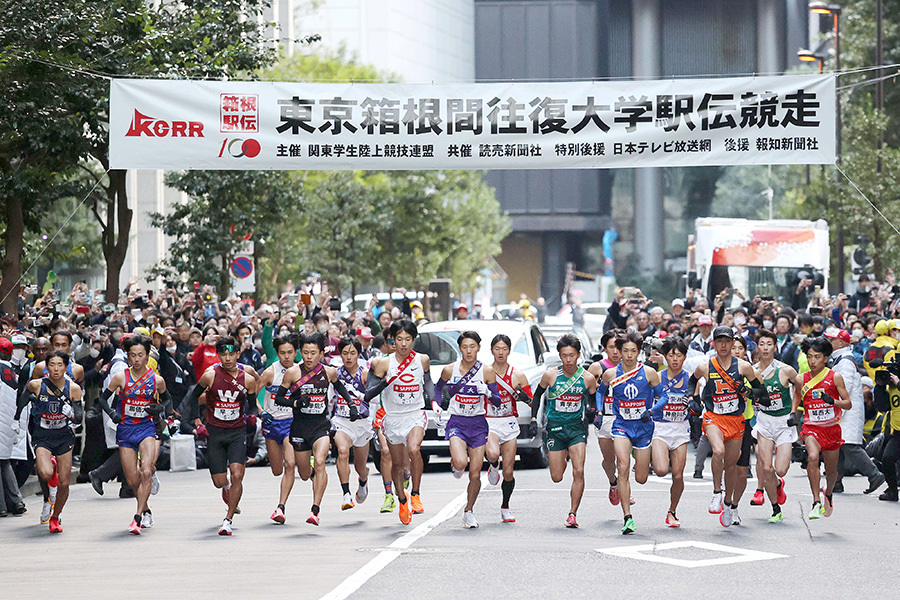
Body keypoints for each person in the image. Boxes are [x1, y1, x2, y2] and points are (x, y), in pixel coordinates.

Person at [275, 333, 356, 525]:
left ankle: (314, 510)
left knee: (320, 462)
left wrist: (352, 405)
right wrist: (295, 403)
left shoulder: (329, 372)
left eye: (313, 353)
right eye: (305, 353)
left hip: (320, 426)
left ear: (321, 353)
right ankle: (311, 475)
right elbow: (279, 398)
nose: (309, 357)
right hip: (300, 427)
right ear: (300, 353)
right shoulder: (293, 373)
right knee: (304, 473)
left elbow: (340, 389)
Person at [690, 326, 767, 528]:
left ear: (733, 343)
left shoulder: (743, 367)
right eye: (719, 341)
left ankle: (728, 504)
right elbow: (692, 381)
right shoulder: (705, 366)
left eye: (727, 341)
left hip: (736, 420)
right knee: (718, 450)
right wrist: (694, 399)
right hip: (713, 417)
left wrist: (747, 392)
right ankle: (716, 492)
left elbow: (761, 391)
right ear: (713, 343)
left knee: (731, 466)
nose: (723, 345)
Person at [95, 335, 171, 534]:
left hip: (146, 428)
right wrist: (113, 413)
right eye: (133, 355)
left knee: (146, 470)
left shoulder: (156, 380)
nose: (136, 359)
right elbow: (102, 400)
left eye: (140, 355)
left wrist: (159, 408)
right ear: (128, 357)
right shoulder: (120, 377)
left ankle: (137, 517)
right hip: (126, 430)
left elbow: (168, 402)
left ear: (147, 357)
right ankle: (146, 509)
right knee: (132, 480)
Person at [184, 336, 260, 536]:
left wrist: (252, 415)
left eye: (231, 354)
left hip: (237, 432)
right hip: (215, 432)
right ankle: (225, 488)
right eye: (223, 354)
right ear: (218, 355)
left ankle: (228, 519)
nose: (227, 358)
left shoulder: (248, 379)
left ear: (238, 354)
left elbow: (252, 403)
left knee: (237, 474)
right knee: (219, 480)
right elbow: (193, 397)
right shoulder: (210, 375)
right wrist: (197, 422)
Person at [365, 320, 434, 525]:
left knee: (414, 449)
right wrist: (387, 381)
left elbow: (428, 382)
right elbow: (368, 394)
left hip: (414, 413)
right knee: (396, 464)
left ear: (413, 340)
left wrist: (435, 401)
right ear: (392, 340)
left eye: (408, 339)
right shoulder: (382, 363)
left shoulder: (422, 360)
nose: (403, 344)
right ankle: (402, 500)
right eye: (399, 339)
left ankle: (415, 494)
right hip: (393, 417)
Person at [599, 331, 666, 534]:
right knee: (623, 465)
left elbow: (663, 397)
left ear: (639, 353)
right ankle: (627, 517)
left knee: (642, 478)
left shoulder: (648, 373)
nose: (629, 355)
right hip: (621, 426)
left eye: (633, 351)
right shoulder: (610, 374)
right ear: (619, 352)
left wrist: (651, 411)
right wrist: (600, 411)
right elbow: (600, 393)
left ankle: (641, 466)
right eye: (625, 351)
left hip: (643, 428)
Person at [433, 331, 502, 528]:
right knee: (462, 462)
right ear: (459, 348)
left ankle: (469, 510)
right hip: (457, 422)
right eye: (465, 347)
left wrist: (487, 392)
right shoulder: (450, 369)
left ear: (479, 348)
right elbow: (438, 389)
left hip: (478, 424)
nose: (469, 351)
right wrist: (437, 405)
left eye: (472, 346)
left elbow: (496, 401)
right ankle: (456, 463)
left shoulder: (487, 371)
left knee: (474, 473)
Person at [530, 334, 598, 529]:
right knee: (557, 476)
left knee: (579, 471)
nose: (568, 360)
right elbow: (537, 396)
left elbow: (594, 400)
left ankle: (573, 513)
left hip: (577, 429)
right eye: (564, 355)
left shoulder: (587, 378)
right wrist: (534, 419)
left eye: (572, 355)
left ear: (578, 355)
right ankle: (563, 454)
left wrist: (594, 411)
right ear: (559, 356)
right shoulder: (551, 375)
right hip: (556, 429)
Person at [15, 351, 83, 533]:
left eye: (60, 365)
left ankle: (55, 516)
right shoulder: (36, 385)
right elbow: (22, 397)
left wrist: (71, 414)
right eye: (52, 364)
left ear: (66, 367)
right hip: (42, 435)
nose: (55, 369)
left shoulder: (73, 388)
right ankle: (49, 488)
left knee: (64, 483)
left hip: (63, 436)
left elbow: (79, 418)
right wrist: (16, 419)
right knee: (45, 474)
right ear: (46, 366)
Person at [791, 337, 852, 519]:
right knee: (812, 457)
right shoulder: (801, 379)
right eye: (809, 357)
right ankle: (816, 501)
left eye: (816, 357)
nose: (812, 361)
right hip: (811, 428)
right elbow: (796, 398)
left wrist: (832, 401)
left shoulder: (835, 377)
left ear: (826, 358)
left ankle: (829, 493)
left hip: (832, 429)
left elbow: (848, 404)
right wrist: (793, 414)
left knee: (832, 472)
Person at [826, 327, 885, 495]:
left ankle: (874, 475)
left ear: (841, 343)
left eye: (832, 340)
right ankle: (836, 482)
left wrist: (837, 409)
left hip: (847, 412)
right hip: (846, 410)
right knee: (838, 445)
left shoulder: (844, 361)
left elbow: (843, 387)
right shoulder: (842, 359)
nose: (829, 343)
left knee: (850, 446)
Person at [749, 329, 798, 523]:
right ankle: (775, 508)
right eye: (762, 344)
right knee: (766, 468)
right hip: (764, 421)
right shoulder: (752, 371)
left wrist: (795, 411)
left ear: (775, 347)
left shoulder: (785, 370)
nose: (766, 348)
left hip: (784, 422)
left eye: (769, 344)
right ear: (757, 347)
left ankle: (778, 483)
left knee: (781, 469)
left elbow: (800, 389)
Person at [485, 334, 532, 523]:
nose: (501, 353)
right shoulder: (484, 372)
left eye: (504, 349)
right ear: (492, 351)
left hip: (509, 422)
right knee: (494, 454)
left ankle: (505, 507)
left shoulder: (517, 375)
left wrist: (522, 396)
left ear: (510, 351)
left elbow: (531, 401)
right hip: (490, 421)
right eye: (497, 349)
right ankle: (492, 465)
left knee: (509, 471)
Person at [255, 335, 297, 524]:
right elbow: (252, 394)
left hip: (291, 423)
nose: (286, 357)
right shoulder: (270, 373)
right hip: (272, 424)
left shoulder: (300, 371)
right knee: (276, 470)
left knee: (290, 464)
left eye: (290, 352)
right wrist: (261, 411)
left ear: (295, 352)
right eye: (282, 353)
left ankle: (280, 507)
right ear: (277, 353)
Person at [650, 336, 690, 527]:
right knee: (660, 470)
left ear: (684, 357)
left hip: (681, 429)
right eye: (671, 355)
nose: (675, 359)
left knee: (679, 475)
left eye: (679, 355)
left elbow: (697, 399)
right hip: (660, 427)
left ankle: (672, 511)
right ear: (665, 357)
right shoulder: (657, 377)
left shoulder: (690, 379)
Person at [588, 330, 629, 507]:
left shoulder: (630, 366)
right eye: (611, 347)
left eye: (618, 347)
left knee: (623, 459)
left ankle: (624, 489)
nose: (615, 352)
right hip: (604, 419)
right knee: (609, 460)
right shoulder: (597, 367)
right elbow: (587, 390)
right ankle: (613, 483)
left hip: (625, 418)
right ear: (605, 348)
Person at [332, 337, 373, 511]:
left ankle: (363, 480)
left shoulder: (365, 374)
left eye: (352, 353)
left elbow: (374, 396)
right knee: (342, 452)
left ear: (358, 354)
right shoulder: (335, 374)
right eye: (345, 353)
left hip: (362, 423)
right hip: (342, 421)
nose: (348, 357)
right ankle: (346, 494)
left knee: (359, 466)